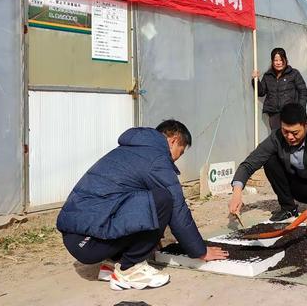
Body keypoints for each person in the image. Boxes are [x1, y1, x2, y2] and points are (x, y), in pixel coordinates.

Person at [57, 119, 228, 291]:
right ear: (174, 140)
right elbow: (178, 209)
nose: (176, 159)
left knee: (138, 199)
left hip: (77, 239)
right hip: (91, 244)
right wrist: (200, 251)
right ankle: (130, 269)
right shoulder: (157, 159)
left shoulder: (128, 151)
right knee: (164, 199)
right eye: (180, 152)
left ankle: (112, 263)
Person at [229, 103, 307, 223]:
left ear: (306, 125)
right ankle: (288, 209)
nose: (289, 137)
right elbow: (248, 164)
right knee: (270, 160)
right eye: (285, 131)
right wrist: (236, 193)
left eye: (295, 133)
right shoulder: (277, 137)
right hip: (300, 188)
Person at [252, 47, 307, 130]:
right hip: (274, 114)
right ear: (272, 61)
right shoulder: (268, 76)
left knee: (290, 136)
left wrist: (300, 109)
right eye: (275, 60)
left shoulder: (294, 73)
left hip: (290, 112)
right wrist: (255, 80)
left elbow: (303, 91)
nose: (278, 63)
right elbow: (261, 92)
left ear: (285, 60)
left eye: (281, 60)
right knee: (276, 137)